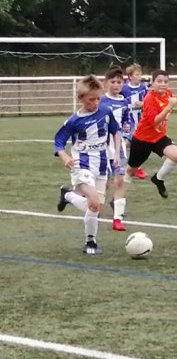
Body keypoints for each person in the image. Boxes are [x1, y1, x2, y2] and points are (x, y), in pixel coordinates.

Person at [54, 75, 122, 255]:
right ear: (81, 99)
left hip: (101, 165)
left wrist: (115, 154)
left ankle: (67, 195)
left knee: (95, 207)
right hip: (81, 164)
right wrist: (64, 156)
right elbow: (59, 141)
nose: (96, 102)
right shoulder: (74, 121)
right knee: (93, 200)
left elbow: (115, 132)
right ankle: (90, 242)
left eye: (98, 98)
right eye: (91, 99)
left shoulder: (106, 112)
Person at [125, 69, 177, 198]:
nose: (163, 84)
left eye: (166, 82)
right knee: (131, 171)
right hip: (142, 139)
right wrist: (169, 107)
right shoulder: (149, 98)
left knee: (176, 156)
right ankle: (118, 198)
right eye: (159, 81)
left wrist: (169, 107)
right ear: (152, 82)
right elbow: (155, 122)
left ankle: (158, 179)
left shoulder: (168, 94)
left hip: (159, 137)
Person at [100, 66, 131, 231]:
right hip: (102, 148)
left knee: (119, 181)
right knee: (103, 184)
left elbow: (128, 122)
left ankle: (117, 219)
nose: (116, 84)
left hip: (119, 148)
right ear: (106, 83)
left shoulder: (125, 103)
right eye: (112, 81)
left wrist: (127, 137)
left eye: (119, 82)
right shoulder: (101, 101)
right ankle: (95, 207)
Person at [121, 63, 149, 179]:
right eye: (137, 74)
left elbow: (149, 102)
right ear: (130, 76)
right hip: (128, 120)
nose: (139, 77)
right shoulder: (124, 88)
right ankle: (128, 167)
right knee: (126, 143)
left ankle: (132, 166)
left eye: (140, 74)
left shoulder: (143, 88)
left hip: (141, 120)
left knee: (136, 144)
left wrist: (142, 104)